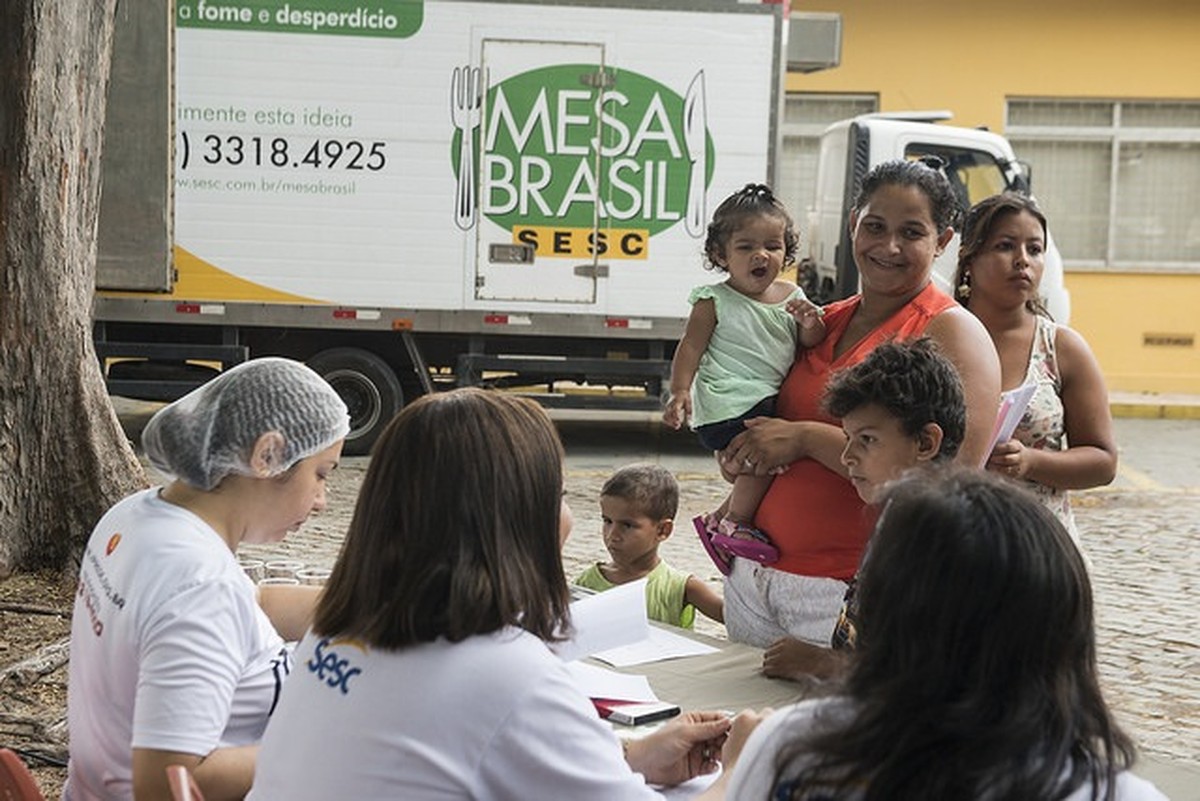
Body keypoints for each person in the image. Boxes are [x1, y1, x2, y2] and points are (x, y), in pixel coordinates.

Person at [248, 388, 731, 800]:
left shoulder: (340, 627)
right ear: (515, 519)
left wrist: (630, 758)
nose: (570, 520)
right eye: (558, 496)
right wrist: (744, 766)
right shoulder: (507, 673)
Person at [698, 468, 1167, 801]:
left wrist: (736, 772)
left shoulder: (794, 748)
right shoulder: (1109, 791)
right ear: (1066, 628)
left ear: (880, 612)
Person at [717, 158, 1001, 653]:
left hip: (847, 594)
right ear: (853, 224)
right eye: (874, 226)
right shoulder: (819, 319)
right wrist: (746, 450)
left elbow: (953, 480)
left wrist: (804, 438)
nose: (888, 246)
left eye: (911, 232)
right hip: (754, 583)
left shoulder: (951, 331)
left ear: (944, 241)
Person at [65, 357, 350, 801]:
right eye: (321, 474)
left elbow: (252, 604)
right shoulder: (200, 585)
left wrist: (376, 606)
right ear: (267, 456)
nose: (321, 502)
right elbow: (166, 785)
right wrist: (325, 745)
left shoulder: (140, 515)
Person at [764, 337, 966, 680]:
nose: (847, 457)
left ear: (926, 442)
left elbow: (936, 675)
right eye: (847, 439)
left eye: (867, 439)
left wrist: (823, 664)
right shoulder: (899, 517)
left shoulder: (948, 541)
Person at [663, 183, 826, 574]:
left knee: (757, 458)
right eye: (746, 247)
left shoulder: (791, 295)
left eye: (773, 245)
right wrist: (680, 391)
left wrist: (809, 322)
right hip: (729, 401)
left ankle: (718, 520)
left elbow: (809, 341)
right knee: (763, 458)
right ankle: (736, 521)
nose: (762, 255)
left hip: (761, 398)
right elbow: (690, 348)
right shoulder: (713, 300)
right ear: (721, 254)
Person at [953, 191, 1117, 549]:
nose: (1022, 261)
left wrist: (1030, 461)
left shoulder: (1062, 349)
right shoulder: (938, 337)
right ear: (969, 259)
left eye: (1035, 249)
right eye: (1005, 246)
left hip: (1041, 554)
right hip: (955, 547)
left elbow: (1103, 461)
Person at [575, 463, 724, 628]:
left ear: (662, 530)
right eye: (607, 521)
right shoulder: (586, 583)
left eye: (627, 525)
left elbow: (740, 621)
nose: (612, 535)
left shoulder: (681, 588)